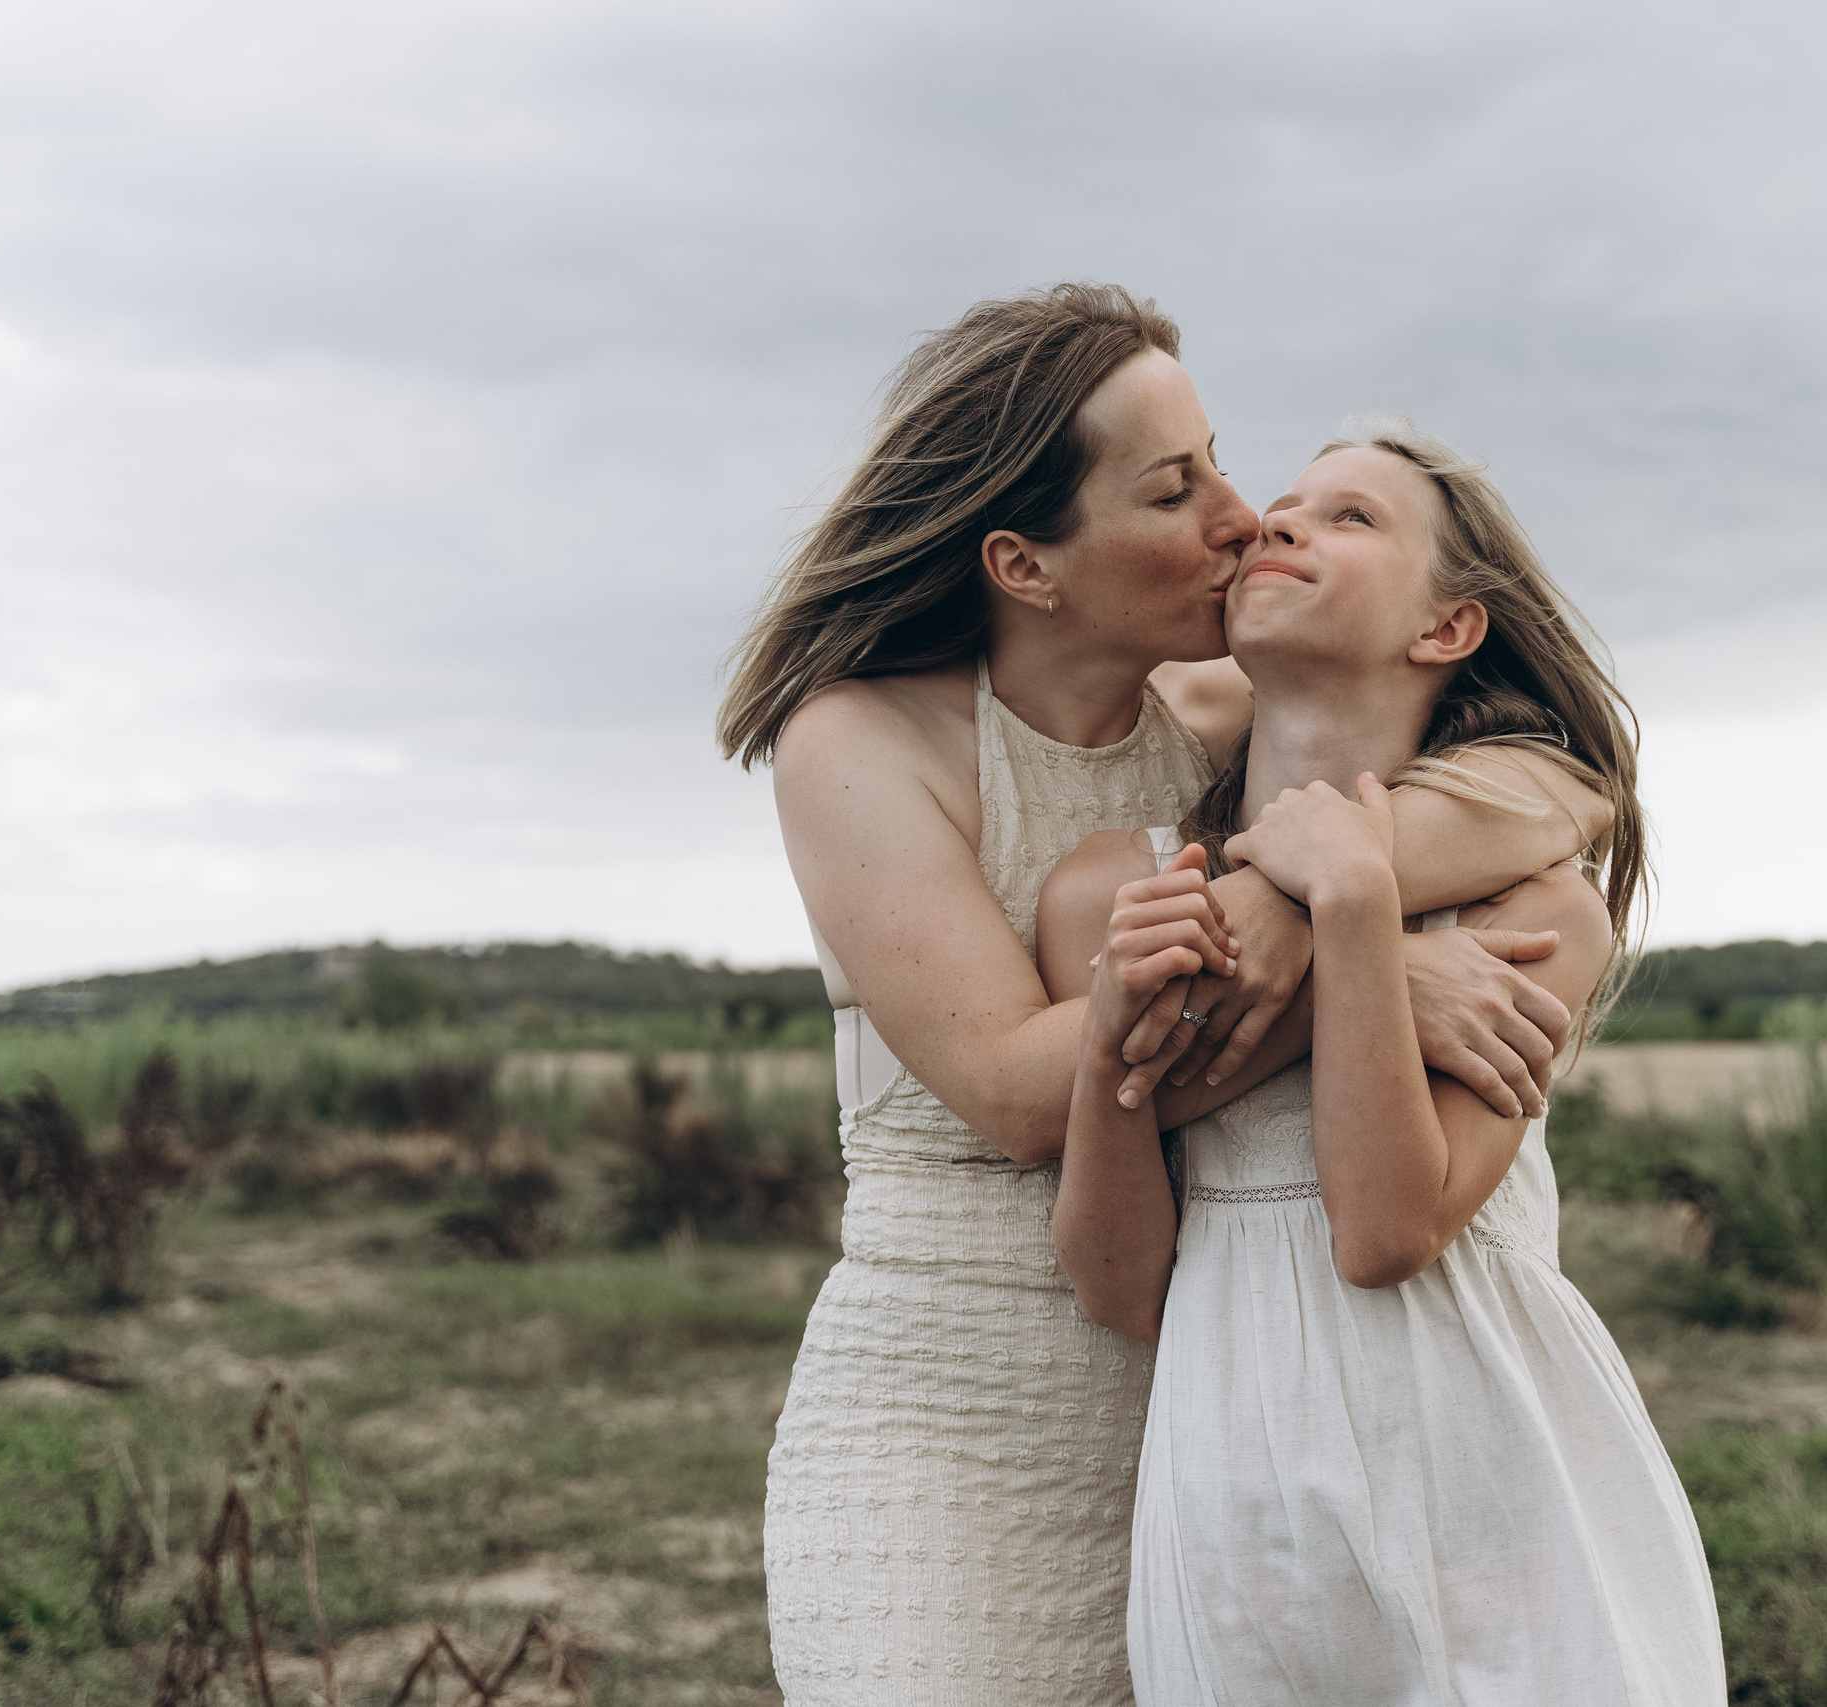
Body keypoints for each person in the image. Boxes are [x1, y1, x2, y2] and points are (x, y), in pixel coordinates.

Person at [716, 287, 1613, 1704]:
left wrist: (1301, 908)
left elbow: (1555, 780)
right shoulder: (862, 736)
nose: (1242, 516)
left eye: (1221, 460)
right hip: (957, 1400)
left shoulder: (1223, 707)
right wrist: (1356, 965)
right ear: (1025, 561)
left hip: (1211, 1397)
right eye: (1175, 485)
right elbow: (1020, 1091)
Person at [1044, 420, 1726, 1704]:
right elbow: (1119, 1285)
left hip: (1478, 1450)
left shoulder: (1538, 912)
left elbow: (1382, 1234)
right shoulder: (1112, 889)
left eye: (1352, 518)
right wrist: (1103, 1042)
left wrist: (1351, 908)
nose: (1280, 523)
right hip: (1230, 1486)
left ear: (1447, 630)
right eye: (1286, 506)